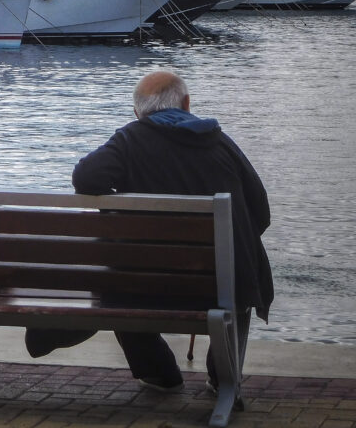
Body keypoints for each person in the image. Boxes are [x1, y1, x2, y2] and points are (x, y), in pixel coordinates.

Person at [25, 70, 274, 393]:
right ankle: (223, 377)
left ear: (137, 112)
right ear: (186, 103)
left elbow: (87, 178)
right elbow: (260, 210)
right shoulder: (221, 143)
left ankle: (158, 371)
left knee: (121, 267)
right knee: (242, 268)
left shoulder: (130, 140)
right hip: (223, 287)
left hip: (144, 285)